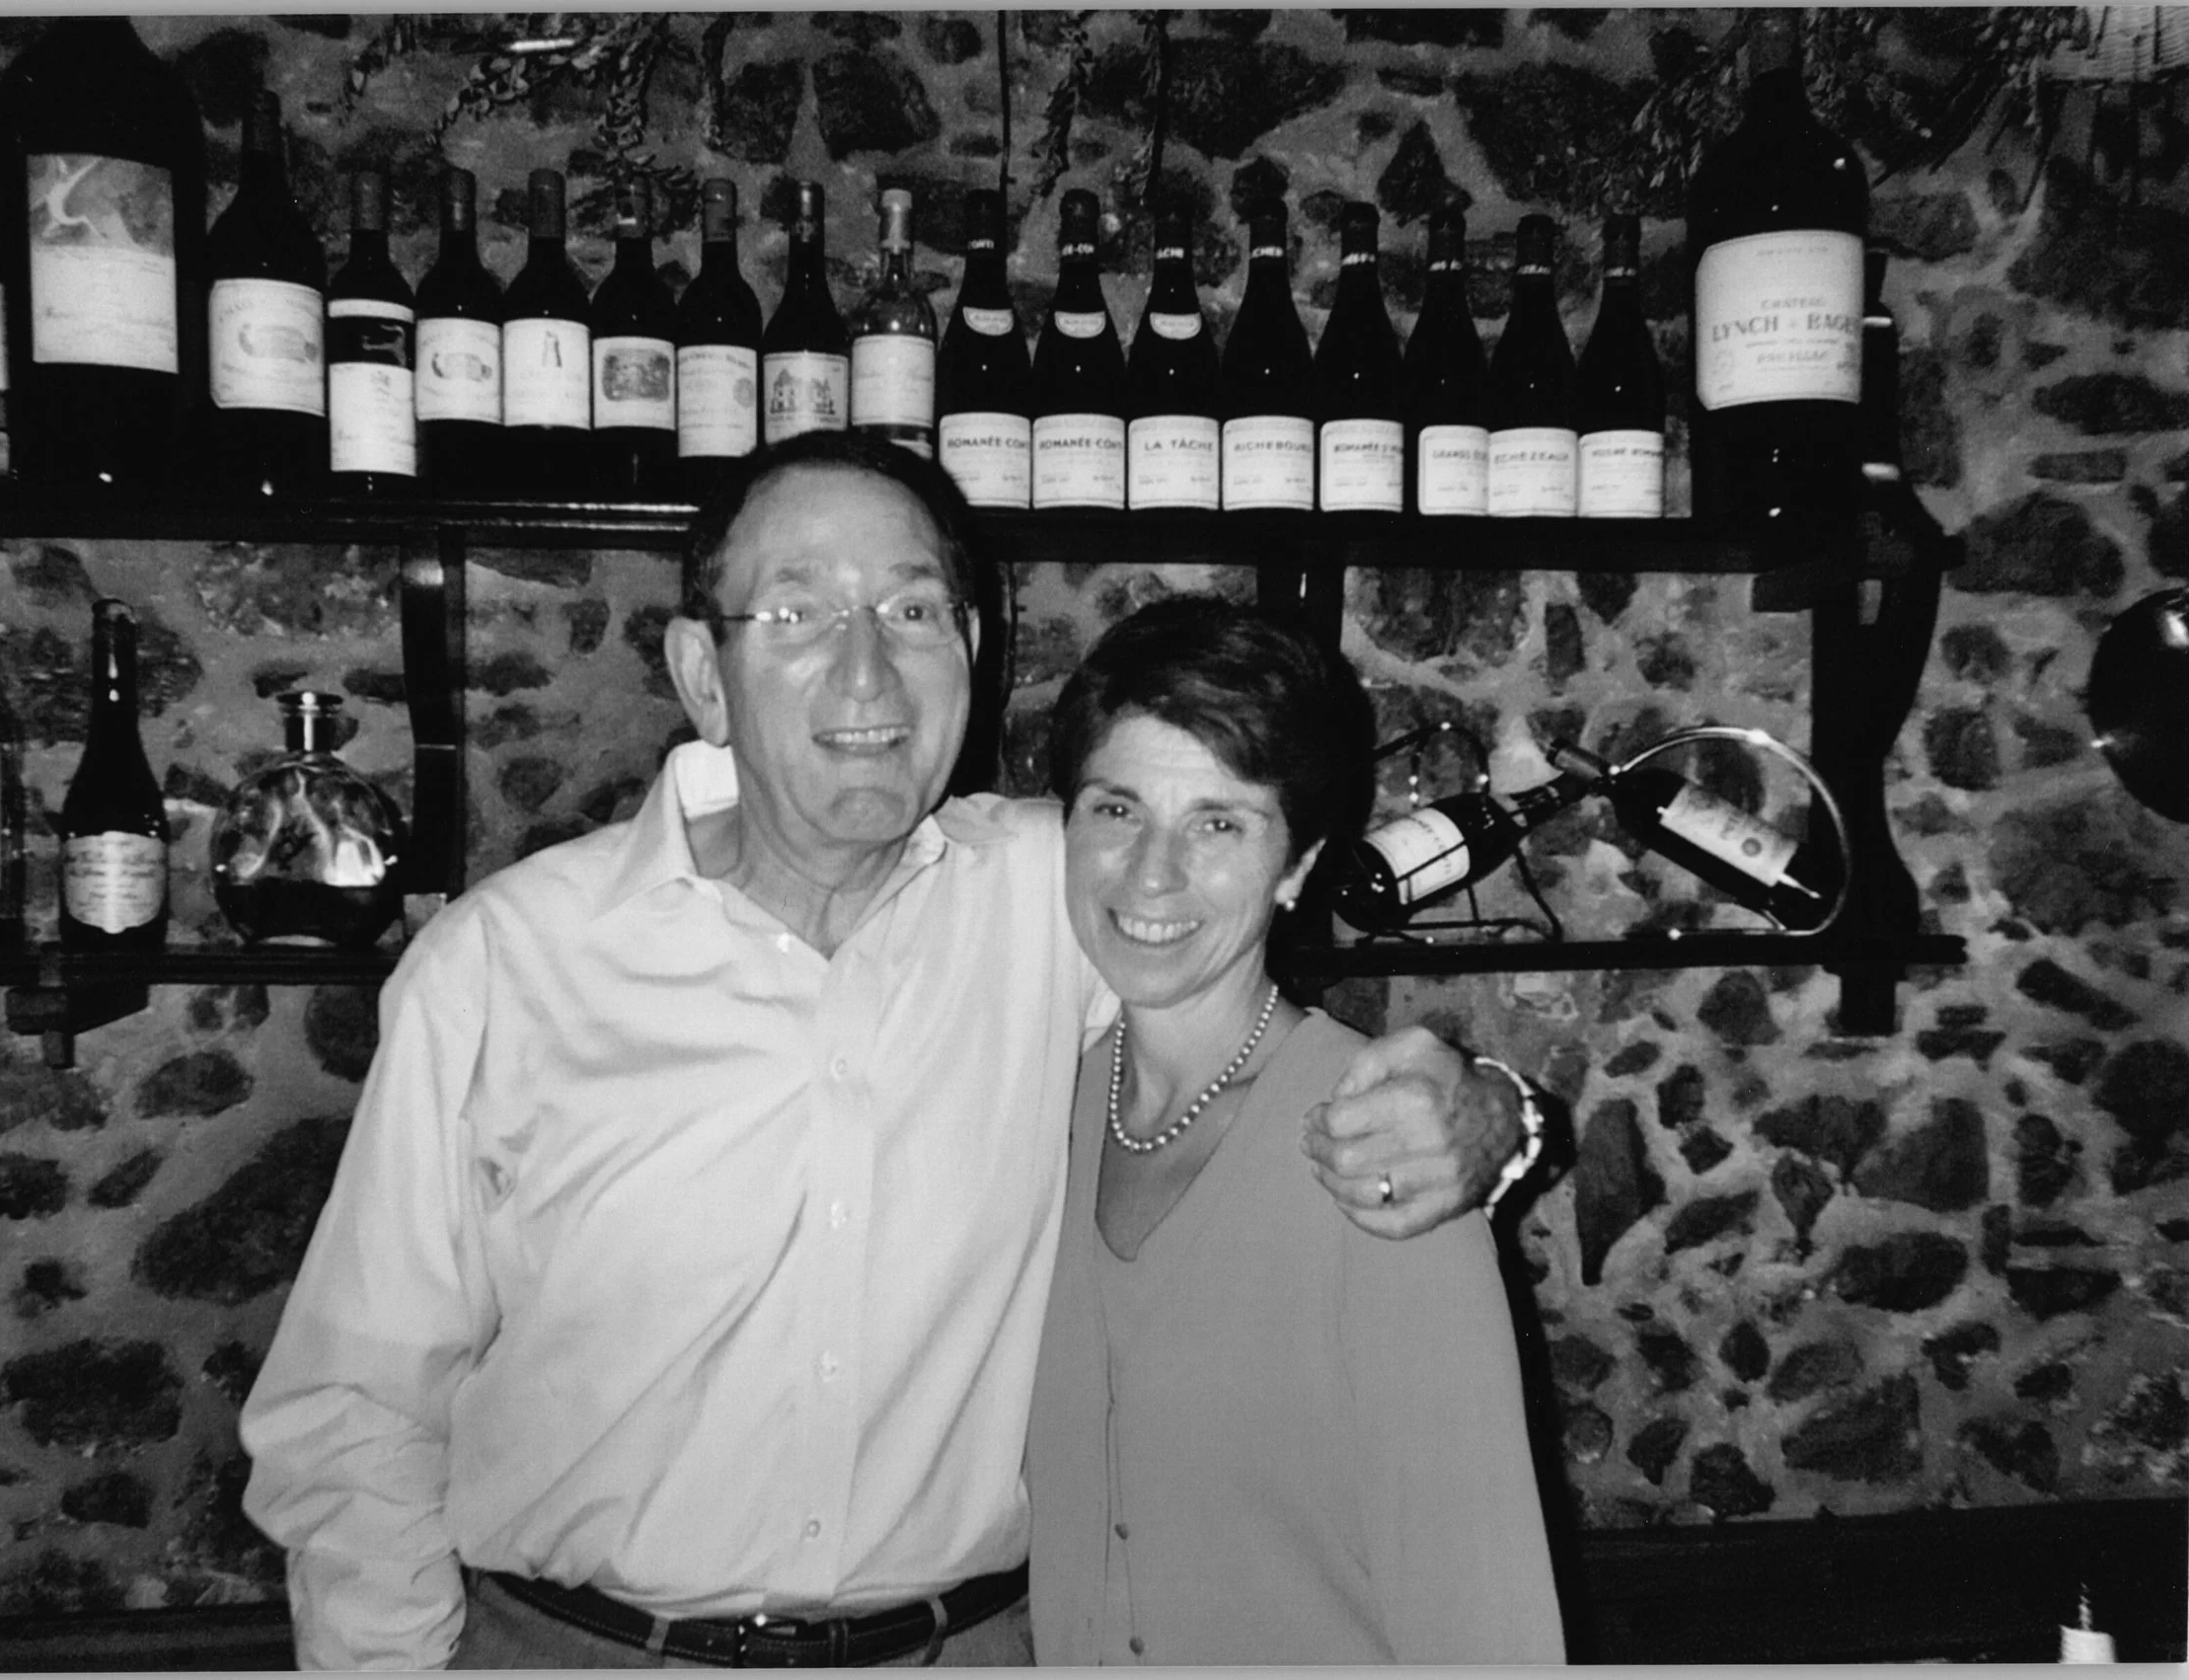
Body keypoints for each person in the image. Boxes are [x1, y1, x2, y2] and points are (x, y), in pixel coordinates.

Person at [239, 431, 1542, 1668]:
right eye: (797, 612)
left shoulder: (1060, 891)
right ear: (703, 673)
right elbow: (355, 1407)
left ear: (968, 651)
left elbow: (1232, 970)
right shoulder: (505, 965)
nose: (865, 673)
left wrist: (1489, 1110)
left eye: (912, 610)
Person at [1027, 596, 1563, 1665]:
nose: (1151, 873)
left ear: (1297, 867)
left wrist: (1502, 1112)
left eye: (1219, 823)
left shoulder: (1381, 1152)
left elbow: (1487, 1620)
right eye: (1117, 809)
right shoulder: (1042, 1107)